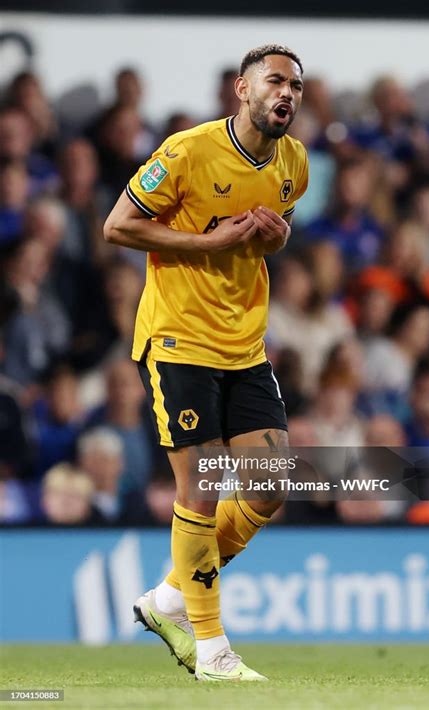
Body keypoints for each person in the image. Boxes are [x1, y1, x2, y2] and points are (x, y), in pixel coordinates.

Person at [104, 44, 308, 682]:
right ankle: (213, 649)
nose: (288, 94)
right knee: (203, 486)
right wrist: (206, 241)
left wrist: (280, 237)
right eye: (275, 81)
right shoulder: (187, 152)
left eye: (296, 86)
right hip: (179, 340)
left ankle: (168, 598)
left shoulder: (294, 165)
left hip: (245, 347)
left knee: (270, 485)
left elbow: (275, 230)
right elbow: (117, 225)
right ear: (242, 91)